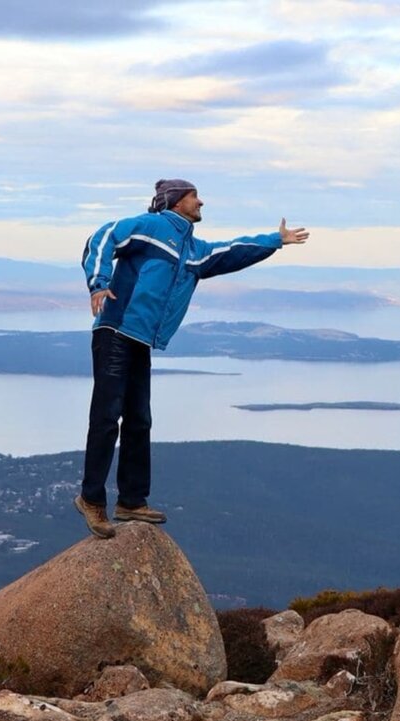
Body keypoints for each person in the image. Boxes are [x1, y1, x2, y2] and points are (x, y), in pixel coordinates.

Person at [75, 178, 309, 538]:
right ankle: (91, 499)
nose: (201, 202)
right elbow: (102, 238)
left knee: (139, 419)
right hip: (116, 330)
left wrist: (275, 241)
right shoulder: (150, 227)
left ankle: (131, 500)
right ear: (174, 201)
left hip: (139, 340)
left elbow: (230, 251)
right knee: (107, 417)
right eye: (194, 197)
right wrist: (99, 282)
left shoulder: (191, 251)